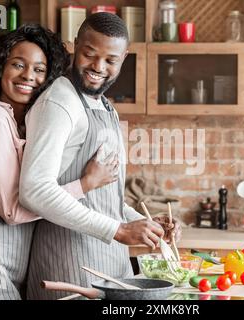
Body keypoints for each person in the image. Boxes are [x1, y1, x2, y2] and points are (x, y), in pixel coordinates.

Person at [0, 25, 119, 300]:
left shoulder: (21, 123)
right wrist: (85, 184)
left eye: (39, 69)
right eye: (18, 65)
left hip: (6, 267)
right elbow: (13, 210)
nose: (29, 76)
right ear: (0, 67)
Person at [19, 13, 181, 300]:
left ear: (124, 57)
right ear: (75, 46)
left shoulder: (104, 105)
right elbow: (34, 190)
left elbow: (104, 200)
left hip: (111, 269)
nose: (98, 67)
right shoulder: (59, 102)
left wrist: (143, 225)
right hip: (70, 270)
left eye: (110, 60)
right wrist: (117, 230)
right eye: (89, 54)